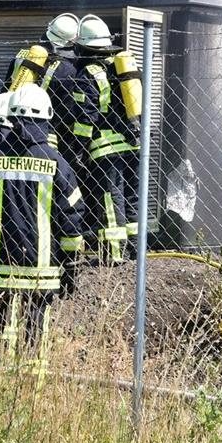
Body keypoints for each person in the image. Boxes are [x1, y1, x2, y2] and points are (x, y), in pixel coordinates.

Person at [0, 83, 85, 384]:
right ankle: (30, 390)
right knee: (34, 332)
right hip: (41, 268)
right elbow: (72, 217)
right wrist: (71, 266)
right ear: (47, 118)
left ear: (12, 118)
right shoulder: (56, 163)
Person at [70, 14, 142, 264]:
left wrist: (78, 149)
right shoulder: (120, 67)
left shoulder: (88, 74)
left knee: (111, 200)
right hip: (133, 143)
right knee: (132, 198)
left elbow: (85, 118)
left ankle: (114, 255)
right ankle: (136, 250)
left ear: (83, 47)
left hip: (105, 148)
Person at [5, 13, 80, 158]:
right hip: (45, 136)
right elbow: (67, 112)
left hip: (11, 129)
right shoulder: (67, 69)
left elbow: (6, 88)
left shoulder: (21, 57)